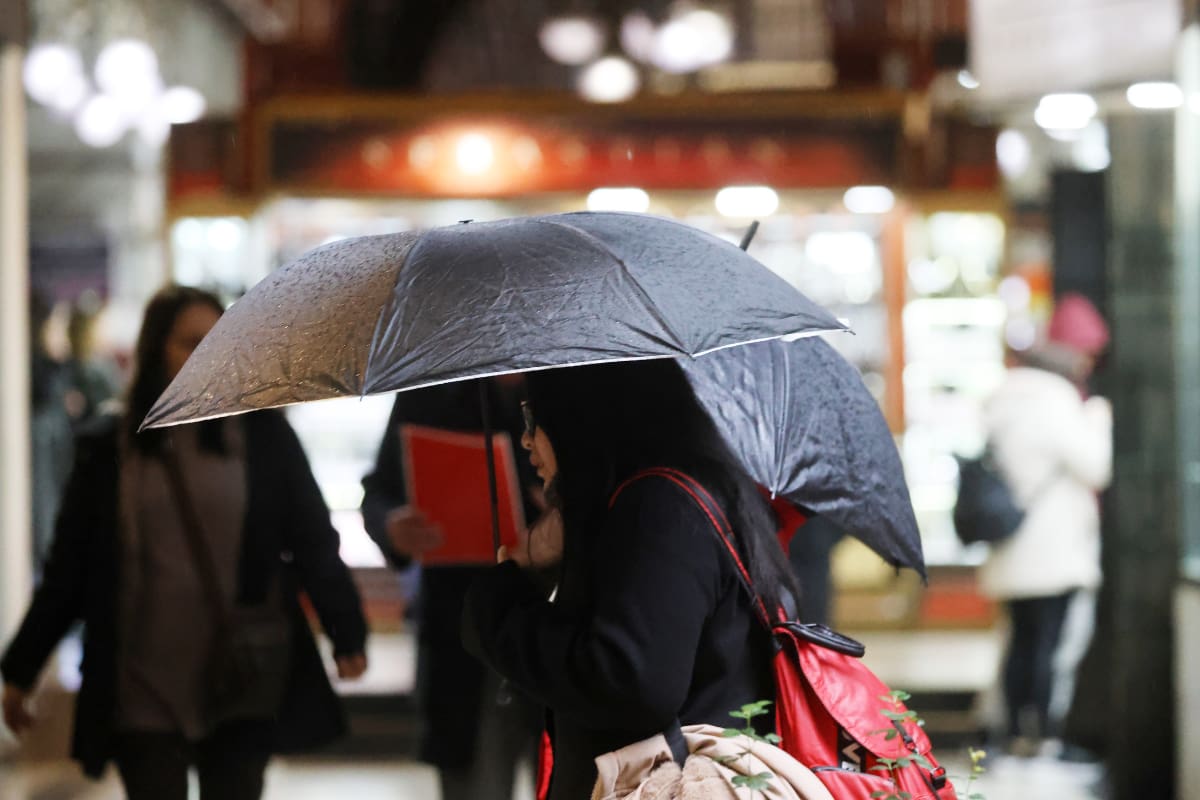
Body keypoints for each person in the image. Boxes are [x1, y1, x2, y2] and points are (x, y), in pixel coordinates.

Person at [1, 285, 369, 800]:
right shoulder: (113, 448)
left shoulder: (265, 438)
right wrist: (21, 668)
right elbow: (70, 567)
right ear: (156, 350)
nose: (205, 355)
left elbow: (312, 541)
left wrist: (346, 629)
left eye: (217, 341)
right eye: (189, 342)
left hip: (239, 668)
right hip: (141, 678)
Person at [461, 359, 798, 800]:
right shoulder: (683, 491)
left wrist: (501, 603)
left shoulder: (660, 509)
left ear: (583, 413)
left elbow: (628, 683)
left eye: (533, 416)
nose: (526, 439)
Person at [361, 377, 542, 800]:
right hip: (462, 630)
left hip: (557, 622)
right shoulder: (434, 388)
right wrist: (392, 526)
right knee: (472, 779)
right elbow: (381, 491)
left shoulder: (573, 385)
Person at [979, 293, 1112, 754]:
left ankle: (1016, 731)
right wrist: (1097, 420)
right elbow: (1095, 467)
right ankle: (1042, 736)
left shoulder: (1003, 397)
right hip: (1053, 547)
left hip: (1012, 543)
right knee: (1050, 645)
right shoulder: (1057, 401)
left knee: (1021, 641)